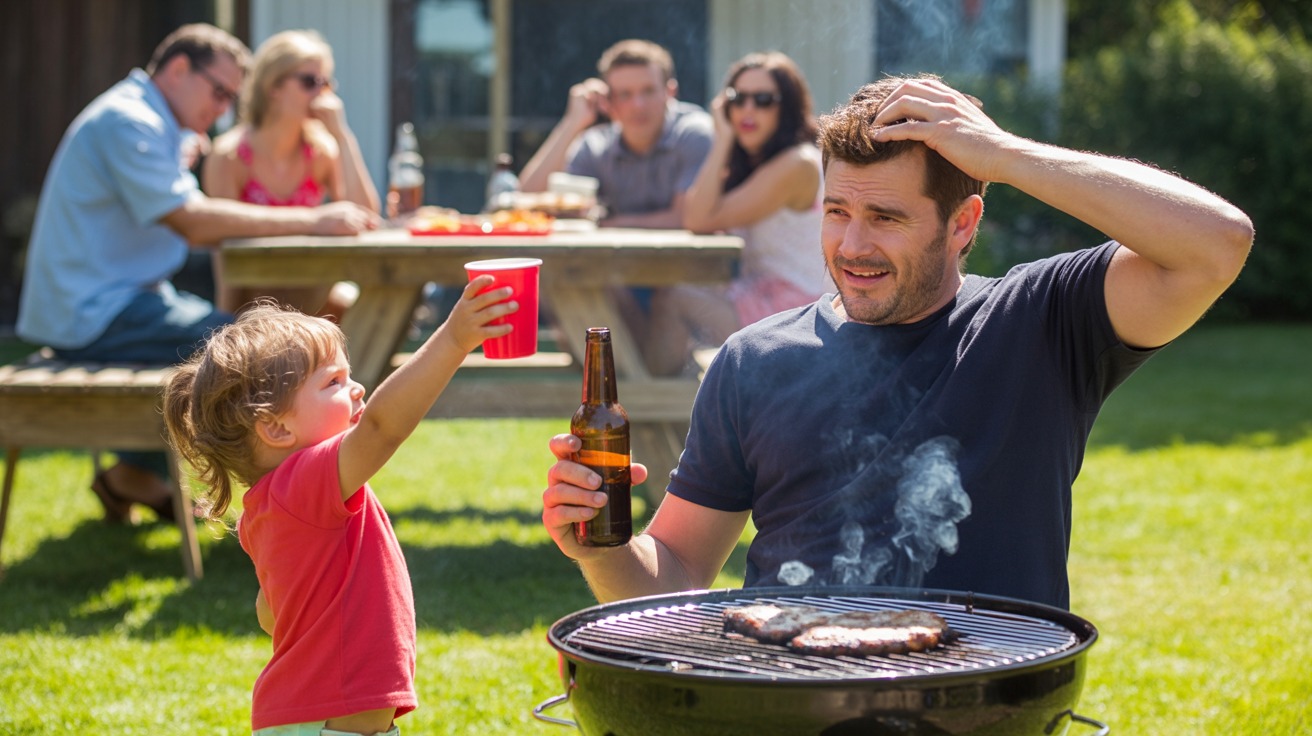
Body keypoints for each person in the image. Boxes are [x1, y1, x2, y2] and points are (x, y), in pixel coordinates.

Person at [541, 75, 1254, 610]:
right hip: (791, 701)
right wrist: (601, 550)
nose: (852, 245)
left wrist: (1002, 153)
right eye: (837, 211)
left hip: (989, 703)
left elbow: (1215, 244)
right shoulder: (750, 360)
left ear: (964, 224)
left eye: (885, 217)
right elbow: (676, 569)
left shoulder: (1041, 321)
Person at [15, 23, 379, 523]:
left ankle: (139, 476)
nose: (224, 107)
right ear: (179, 68)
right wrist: (313, 218)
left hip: (122, 300)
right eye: (219, 91)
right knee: (253, 360)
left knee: (242, 350)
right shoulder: (129, 121)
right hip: (95, 312)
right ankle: (284, 509)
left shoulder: (152, 122)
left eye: (232, 96)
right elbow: (191, 220)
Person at [162, 280, 515, 734]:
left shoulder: (275, 504)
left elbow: (270, 614)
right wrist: (454, 338)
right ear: (275, 427)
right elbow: (382, 428)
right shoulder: (303, 483)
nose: (357, 388)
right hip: (326, 726)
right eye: (334, 381)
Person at [645, 51, 830, 376]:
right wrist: (726, 142)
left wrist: (722, 139)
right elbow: (699, 213)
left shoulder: (797, 164)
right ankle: (657, 405)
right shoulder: (757, 162)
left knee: (672, 300)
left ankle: (648, 410)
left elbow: (697, 219)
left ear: (786, 107)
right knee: (658, 298)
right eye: (737, 98)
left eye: (763, 100)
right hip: (760, 298)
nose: (747, 109)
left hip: (800, 315)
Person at [204, 29, 380, 319]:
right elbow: (223, 253)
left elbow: (366, 216)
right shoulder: (229, 155)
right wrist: (225, 323)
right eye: (310, 82)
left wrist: (342, 135)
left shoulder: (322, 150)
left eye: (326, 84)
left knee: (356, 302)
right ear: (273, 86)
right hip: (253, 310)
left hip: (313, 305)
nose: (321, 95)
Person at [518, 39, 714, 229]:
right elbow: (525, 200)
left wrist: (608, 224)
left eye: (648, 91)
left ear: (670, 92)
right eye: (624, 94)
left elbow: (688, 217)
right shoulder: (595, 145)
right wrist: (572, 123)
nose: (638, 105)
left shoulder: (695, 133)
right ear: (607, 101)